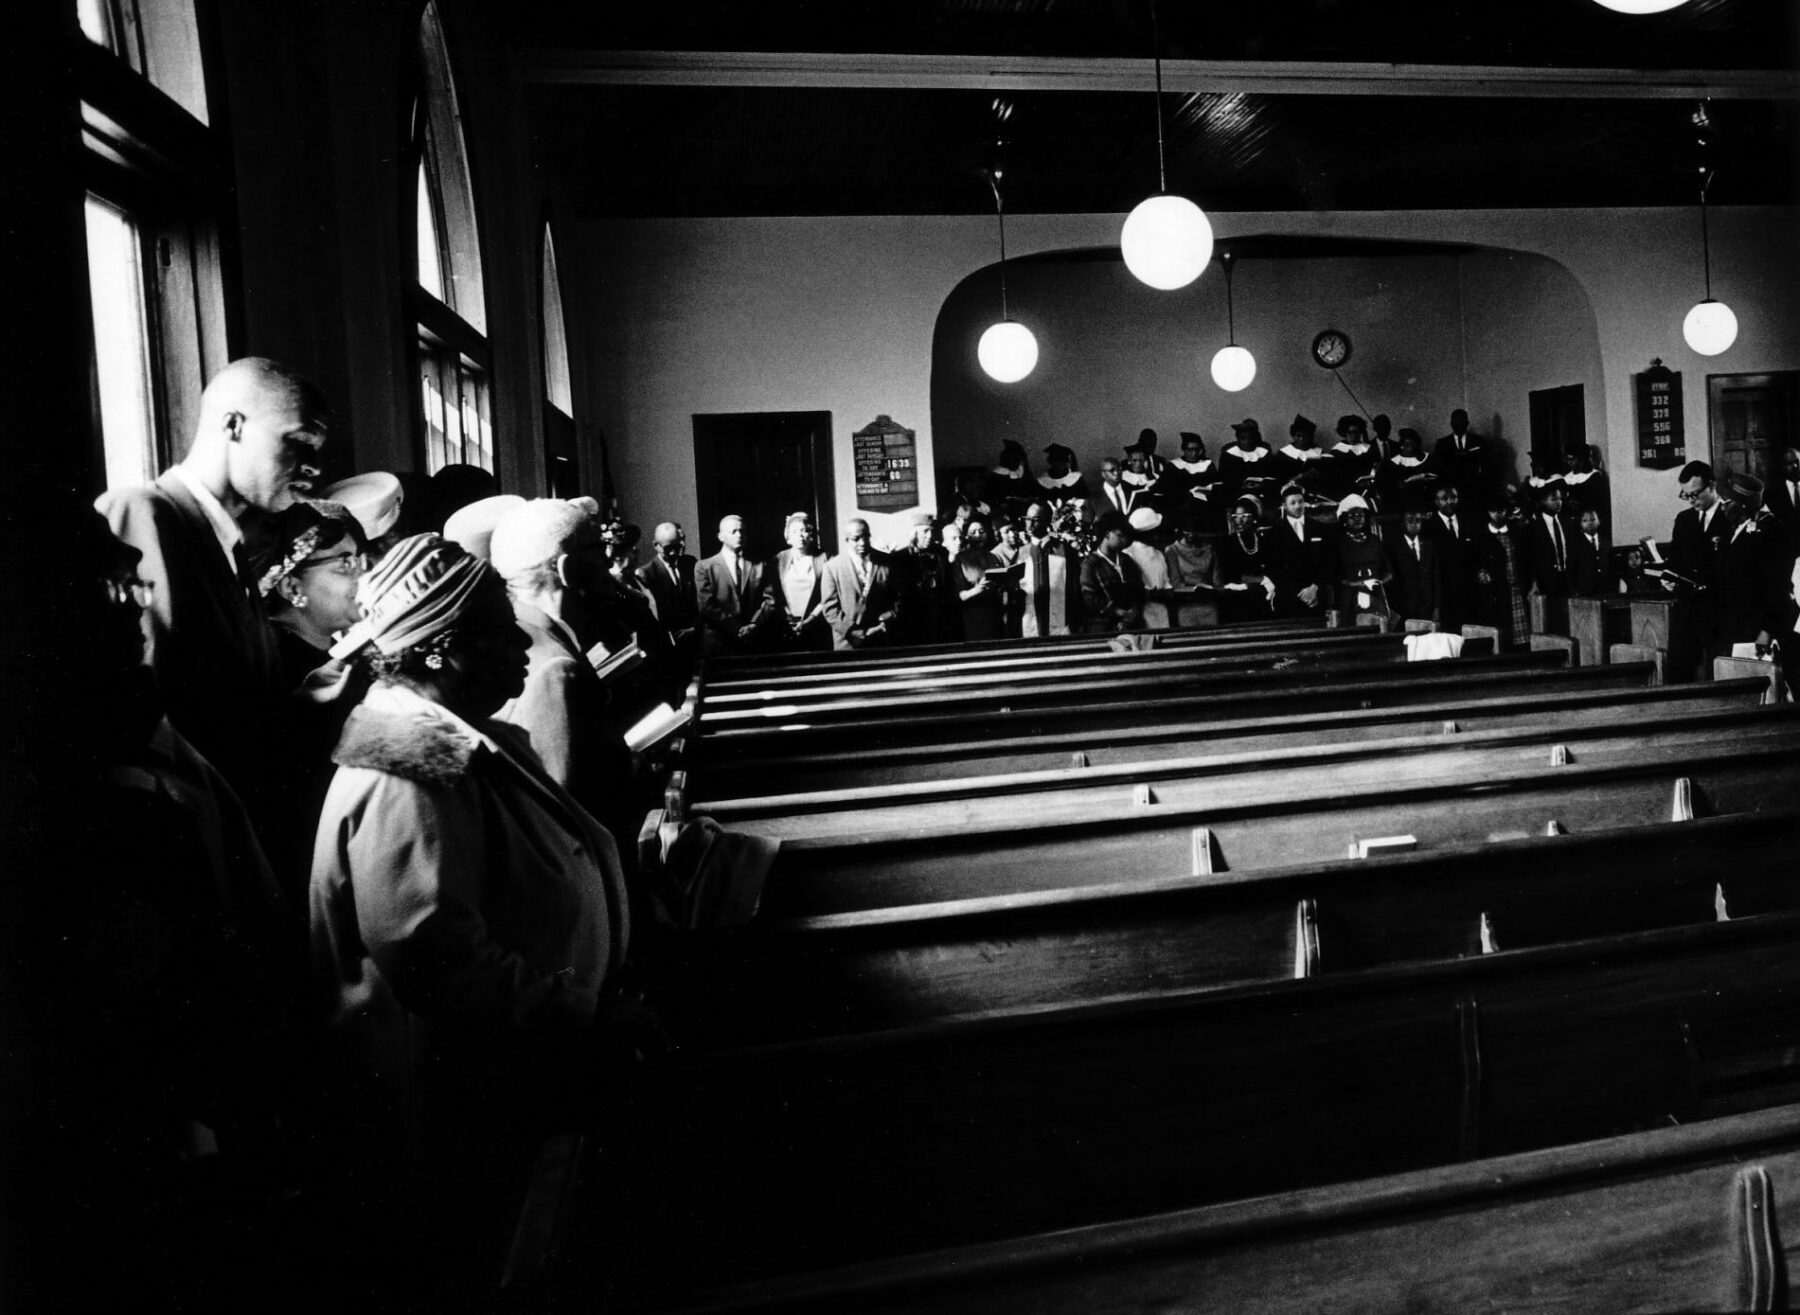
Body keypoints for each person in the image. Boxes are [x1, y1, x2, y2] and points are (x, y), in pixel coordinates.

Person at [96, 356, 328, 802]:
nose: (313, 466)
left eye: (317, 448)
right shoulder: (145, 512)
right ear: (233, 425)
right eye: (298, 441)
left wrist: (310, 700)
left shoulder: (229, 544)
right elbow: (152, 711)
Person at [487, 501, 640, 841]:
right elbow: (568, 824)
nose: (608, 562)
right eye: (599, 550)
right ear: (569, 570)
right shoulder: (556, 672)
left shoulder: (520, 639)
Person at [1664, 460, 1736, 681]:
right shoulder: (1684, 520)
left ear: (1712, 486)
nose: (1691, 500)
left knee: (1721, 675)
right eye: (1686, 495)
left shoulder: (1731, 517)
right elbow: (1675, 559)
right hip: (1687, 610)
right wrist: (1668, 577)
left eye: (1695, 494)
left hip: (1719, 611)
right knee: (1678, 673)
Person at [1714, 470, 1792, 662]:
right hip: (1736, 624)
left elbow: (1778, 586)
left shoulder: (1771, 531)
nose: (1722, 509)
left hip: (1756, 629)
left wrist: (1767, 629)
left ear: (1742, 504)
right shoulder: (1736, 530)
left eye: (1725, 503)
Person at [695, 513, 774, 654]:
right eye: (734, 531)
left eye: (742, 531)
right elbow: (706, 605)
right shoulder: (704, 567)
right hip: (719, 642)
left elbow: (769, 599)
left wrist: (753, 624)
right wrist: (737, 628)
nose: (739, 535)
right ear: (721, 537)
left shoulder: (760, 564)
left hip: (753, 641)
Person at [820, 519, 903, 649]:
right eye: (856, 538)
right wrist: (851, 631)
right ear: (847, 540)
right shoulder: (832, 567)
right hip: (847, 642)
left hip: (881, 637)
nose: (862, 543)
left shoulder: (887, 561)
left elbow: (899, 598)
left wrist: (885, 621)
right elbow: (830, 608)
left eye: (866, 537)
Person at [767, 510, 832, 652]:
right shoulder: (779, 559)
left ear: (811, 534)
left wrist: (809, 620)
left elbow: (829, 595)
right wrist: (787, 617)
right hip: (786, 625)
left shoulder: (824, 558)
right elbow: (774, 594)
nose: (800, 536)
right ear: (788, 536)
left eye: (804, 531)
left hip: (817, 623)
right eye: (795, 531)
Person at [1017, 500, 1083, 637]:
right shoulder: (1021, 554)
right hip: (1029, 625)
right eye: (1027, 519)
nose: (1029, 524)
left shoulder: (1064, 551)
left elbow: (1075, 590)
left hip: (1060, 624)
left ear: (1047, 521)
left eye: (1035, 520)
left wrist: (1074, 623)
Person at [1473, 494, 1531, 647]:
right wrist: (1481, 573)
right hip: (1495, 593)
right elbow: (1476, 563)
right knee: (1500, 636)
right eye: (1493, 511)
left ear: (1506, 511)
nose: (1497, 514)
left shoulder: (1516, 533)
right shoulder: (1482, 536)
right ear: (1488, 512)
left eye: (1501, 510)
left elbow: (1526, 561)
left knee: (1521, 639)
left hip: (1517, 590)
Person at [1265, 483, 1330, 617]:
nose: (1298, 506)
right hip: (1289, 599)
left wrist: (1314, 587)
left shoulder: (1319, 527)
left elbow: (1328, 561)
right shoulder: (1274, 533)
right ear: (1284, 506)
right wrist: (1300, 594)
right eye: (1292, 503)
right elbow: (1274, 569)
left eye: (1300, 502)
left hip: (1317, 596)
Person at [1326, 494, 1393, 623]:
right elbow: (1333, 577)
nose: (1357, 519)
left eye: (1360, 515)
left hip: (1376, 596)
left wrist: (1379, 582)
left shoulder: (1375, 541)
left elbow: (1389, 571)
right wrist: (1355, 584)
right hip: (1349, 599)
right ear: (1344, 519)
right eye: (1352, 516)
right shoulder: (1338, 544)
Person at [1425, 482, 1479, 634]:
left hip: (1468, 591)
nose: (1449, 501)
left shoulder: (1468, 521)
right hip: (1444, 592)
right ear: (1436, 502)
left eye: (1453, 497)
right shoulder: (1428, 527)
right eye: (1444, 498)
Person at [1079, 510, 1145, 633]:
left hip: (1131, 625)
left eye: (1126, 536)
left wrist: (1131, 613)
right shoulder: (1090, 564)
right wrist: (1118, 612)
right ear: (1107, 534)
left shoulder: (1126, 560)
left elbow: (1138, 590)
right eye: (1120, 536)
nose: (1124, 541)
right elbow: (1089, 598)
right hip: (1102, 627)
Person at [638, 521, 700, 649]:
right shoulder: (646, 573)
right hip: (668, 644)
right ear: (656, 545)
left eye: (676, 547)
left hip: (694, 639)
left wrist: (695, 628)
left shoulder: (690, 563)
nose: (673, 553)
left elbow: (699, 600)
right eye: (668, 548)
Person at [898, 511, 955, 643]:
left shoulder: (942, 553)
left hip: (939, 617)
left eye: (931, 531)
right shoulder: (899, 558)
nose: (929, 536)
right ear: (914, 534)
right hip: (913, 619)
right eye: (925, 531)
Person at [1388, 497, 1443, 628]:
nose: (1414, 524)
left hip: (1427, 606)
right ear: (1403, 523)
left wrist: (1436, 607)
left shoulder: (1429, 545)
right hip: (1405, 608)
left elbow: (1436, 578)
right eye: (1410, 521)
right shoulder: (1394, 547)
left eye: (1418, 521)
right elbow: (1393, 581)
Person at [1164, 509, 1224, 628]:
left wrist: (1214, 591)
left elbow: (1218, 581)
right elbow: (1176, 582)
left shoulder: (1209, 549)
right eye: (1187, 530)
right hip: (1186, 604)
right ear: (1181, 530)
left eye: (1195, 531)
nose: (1191, 534)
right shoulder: (1172, 550)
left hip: (1209, 603)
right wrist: (1192, 591)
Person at [952, 517, 1008, 641]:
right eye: (973, 532)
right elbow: (958, 595)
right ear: (966, 536)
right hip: (972, 616)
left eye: (982, 532)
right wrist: (978, 589)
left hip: (995, 615)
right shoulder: (960, 559)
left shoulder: (994, 557)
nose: (978, 536)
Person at [1428, 408, 1492, 514]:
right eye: (1455, 424)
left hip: (1474, 491)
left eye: (1461, 424)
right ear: (1451, 424)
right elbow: (1438, 469)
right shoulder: (1442, 444)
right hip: (1451, 492)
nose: (1458, 427)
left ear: (1467, 424)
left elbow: (1486, 466)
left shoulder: (1478, 441)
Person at [1154, 431, 1222, 532]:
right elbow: (1167, 489)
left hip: (1205, 503)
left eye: (1196, 449)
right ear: (1184, 450)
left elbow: (1215, 483)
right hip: (1181, 502)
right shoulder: (1173, 465)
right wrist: (1187, 493)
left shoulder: (1207, 464)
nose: (1194, 453)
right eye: (1190, 450)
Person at [1523, 480, 1574, 601]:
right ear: (1543, 501)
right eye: (1554, 499)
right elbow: (1529, 559)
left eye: (1560, 499)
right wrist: (1533, 583)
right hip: (1546, 583)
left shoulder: (1567, 523)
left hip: (1568, 580)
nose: (1559, 502)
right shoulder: (1533, 528)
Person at [1125, 506, 1174, 630]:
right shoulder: (1128, 553)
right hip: (1141, 611)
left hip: (1161, 610)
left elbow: (1165, 581)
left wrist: (1167, 590)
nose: (1157, 535)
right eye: (1154, 531)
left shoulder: (1158, 554)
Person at [1217, 418, 1276, 508]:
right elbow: (1224, 477)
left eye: (1250, 438)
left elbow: (1271, 474)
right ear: (1238, 439)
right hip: (1236, 491)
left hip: (1260, 490)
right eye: (1243, 439)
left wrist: (1262, 484)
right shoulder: (1228, 453)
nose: (1247, 442)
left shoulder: (1264, 450)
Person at [1322, 414, 1378, 503]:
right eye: (1351, 432)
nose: (1355, 435)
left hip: (1367, 490)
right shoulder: (1337, 451)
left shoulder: (1369, 448)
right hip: (1345, 492)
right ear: (1345, 433)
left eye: (1358, 432)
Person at [1377, 427, 1435, 509]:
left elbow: (1437, 479)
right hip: (1400, 504)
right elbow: (1384, 487)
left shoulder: (1428, 459)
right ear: (1401, 446)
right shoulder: (1392, 463)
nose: (1411, 448)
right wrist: (1398, 485)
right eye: (1407, 445)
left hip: (1425, 502)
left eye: (1414, 445)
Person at [1271, 415, 1327, 496]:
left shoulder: (1319, 452)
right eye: (1298, 435)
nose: (1301, 438)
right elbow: (1279, 479)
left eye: (1305, 436)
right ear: (1293, 435)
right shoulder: (1283, 454)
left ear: (1310, 436)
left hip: (1314, 492)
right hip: (1290, 492)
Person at [1570, 506, 1614, 597]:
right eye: (1585, 520)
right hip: (1585, 592)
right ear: (1580, 523)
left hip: (1605, 591)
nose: (1590, 523)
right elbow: (1572, 570)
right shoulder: (1575, 545)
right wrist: (1575, 590)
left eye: (1593, 519)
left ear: (1599, 521)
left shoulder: (1606, 543)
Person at [1093, 454, 1147, 518]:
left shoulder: (1133, 489)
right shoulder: (1094, 497)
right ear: (1103, 474)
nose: (1116, 473)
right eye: (1112, 470)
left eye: (1119, 469)